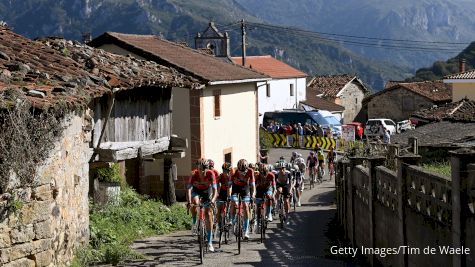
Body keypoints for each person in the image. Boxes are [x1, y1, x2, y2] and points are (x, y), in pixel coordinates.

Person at [187, 159, 218, 252]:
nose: (202, 171)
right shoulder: (193, 174)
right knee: (195, 203)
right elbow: (189, 189)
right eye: (200, 169)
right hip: (196, 191)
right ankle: (194, 222)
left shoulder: (210, 174)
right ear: (198, 168)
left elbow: (215, 190)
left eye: (204, 169)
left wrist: (212, 200)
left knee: (208, 214)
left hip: (207, 192)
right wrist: (189, 202)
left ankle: (210, 242)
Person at [228, 159, 256, 239]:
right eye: (241, 172)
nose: (243, 174)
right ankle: (232, 220)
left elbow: (253, 186)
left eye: (244, 172)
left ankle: (246, 230)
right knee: (234, 202)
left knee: (246, 206)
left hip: (245, 189)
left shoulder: (250, 171)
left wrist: (253, 195)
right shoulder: (233, 172)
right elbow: (229, 186)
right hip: (235, 189)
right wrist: (229, 196)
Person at [216, 162, 233, 233]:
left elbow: (231, 187)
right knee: (219, 210)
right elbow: (216, 185)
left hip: (229, 193)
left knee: (229, 207)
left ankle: (229, 220)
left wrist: (229, 197)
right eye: (224, 170)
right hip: (222, 193)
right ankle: (219, 224)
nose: (225, 172)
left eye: (226, 171)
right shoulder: (220, 176)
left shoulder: (231, 177)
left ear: (229, 171)